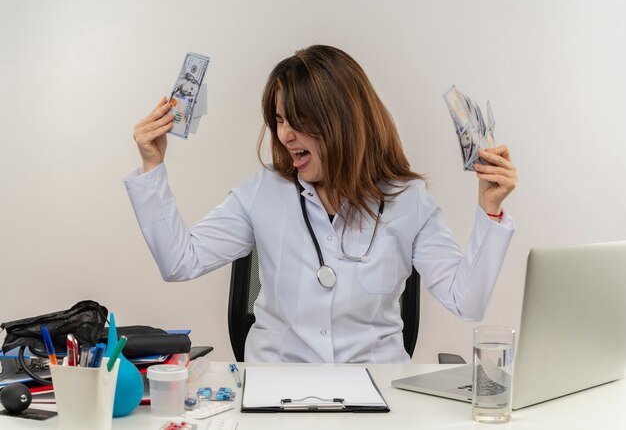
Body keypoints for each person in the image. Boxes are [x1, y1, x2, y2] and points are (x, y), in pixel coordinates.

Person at [125, 45, 517, 364]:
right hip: (276, 390)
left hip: (376, 391)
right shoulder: (264, 193)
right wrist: (152, 165)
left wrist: (490, 211)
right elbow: (180, 262)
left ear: (342, 120)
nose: (285, 135)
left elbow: (466, 302)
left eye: (297, 121)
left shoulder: (408, 201)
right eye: (279, 120)